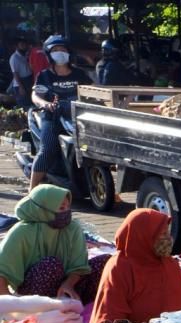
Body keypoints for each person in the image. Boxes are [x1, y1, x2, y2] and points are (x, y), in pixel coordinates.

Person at [86, 209, 181, 323]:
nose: (168, 238)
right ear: (143, 235)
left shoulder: (168, 263)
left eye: (167, 232)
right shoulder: (120, 267)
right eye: (162, 234)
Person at [0, 184, 107, 301]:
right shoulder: (22, 232)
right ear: (42, 209)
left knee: (106, 262)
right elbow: (3, 271)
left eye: (68, 207)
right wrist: (12, 305)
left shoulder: (73, 228)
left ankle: (75, 302)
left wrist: (68, 284)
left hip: (67, 289)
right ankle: (48, 307)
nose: (66, 212)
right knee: (51, 265)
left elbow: (79, 266)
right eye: (61, 208)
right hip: (34, 294)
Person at [29, 35, 93, 191]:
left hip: (77, 117)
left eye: (62, 49)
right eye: (55, 50)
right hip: (52, 117)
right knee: (48, 150)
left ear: (69, 52)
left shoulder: (79, 74)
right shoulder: (45, 75)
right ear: (49, 54)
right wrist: (45, 104)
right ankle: (31, 189)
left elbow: (95, 90)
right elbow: (36, 95)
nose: (59, 53)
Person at [9, 36, 33, 108]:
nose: (24, 46)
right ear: (17, 46)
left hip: (28, 80)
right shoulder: (14, 58)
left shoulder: (25, 55)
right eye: (22, 45)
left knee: (30, 101)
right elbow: (15, 73)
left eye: (25, 45)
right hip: (21, 82)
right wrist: (21, 87)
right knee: (23, 104)